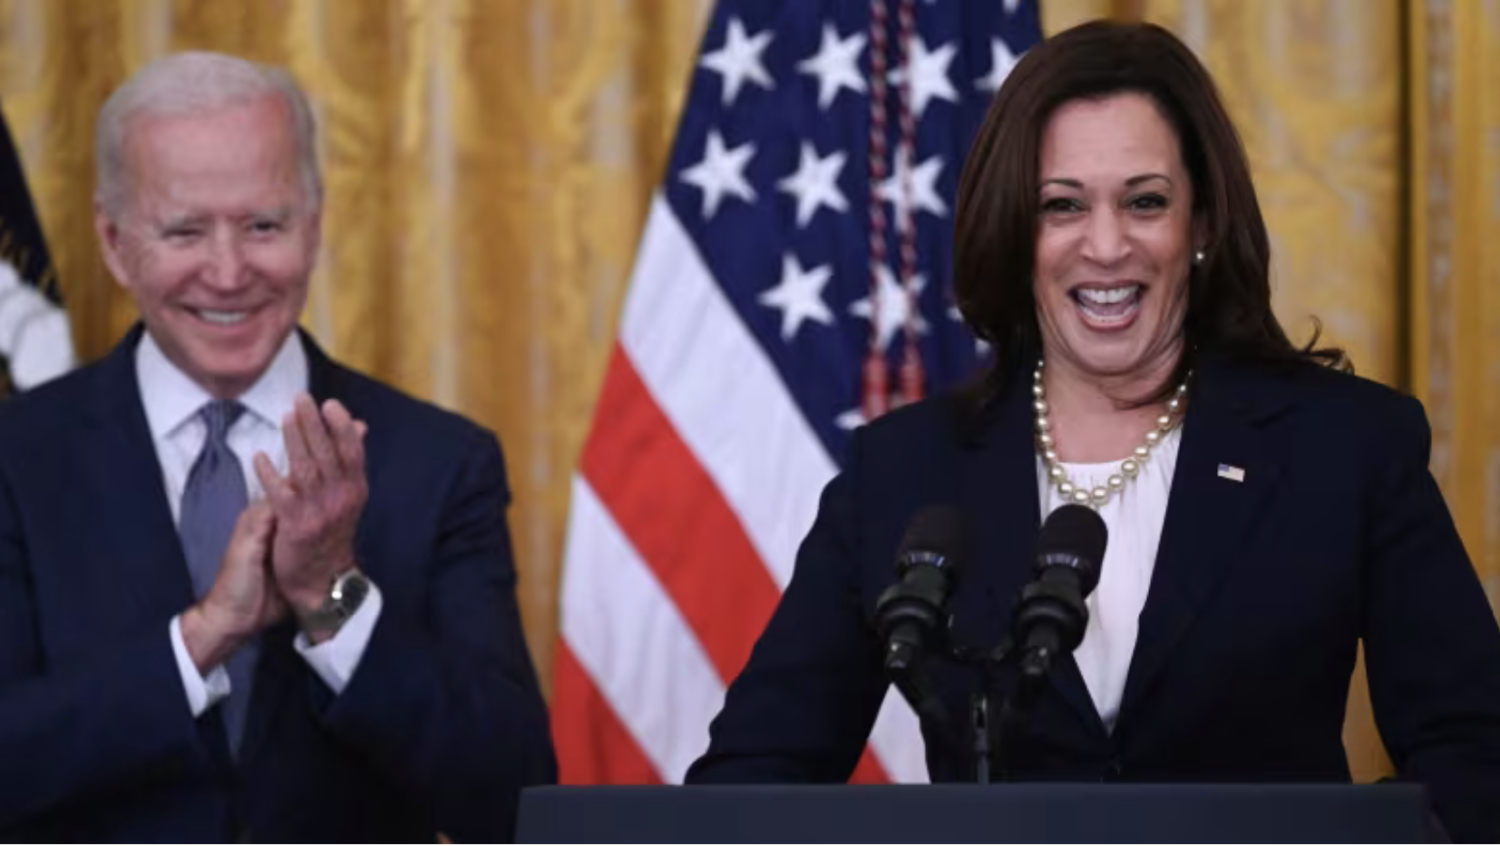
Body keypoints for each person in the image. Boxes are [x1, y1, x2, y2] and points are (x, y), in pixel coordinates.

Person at [686, 20, 1500, 843]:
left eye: (1145, 202)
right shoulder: (900, 472)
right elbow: (751, 782)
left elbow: (1477, 758)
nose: (1106, 246)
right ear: (1016, 230)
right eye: (1062, 206)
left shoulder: (1345, 447)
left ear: (1204, 225)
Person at [0, 52, 555, 841]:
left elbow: (512, 795)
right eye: (185, 230)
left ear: (315, 224)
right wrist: (199, 641)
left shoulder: (439, 462)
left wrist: (335, 598)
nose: (228, 273)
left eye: (264, 225)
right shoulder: (18, 461)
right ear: (116, 242)